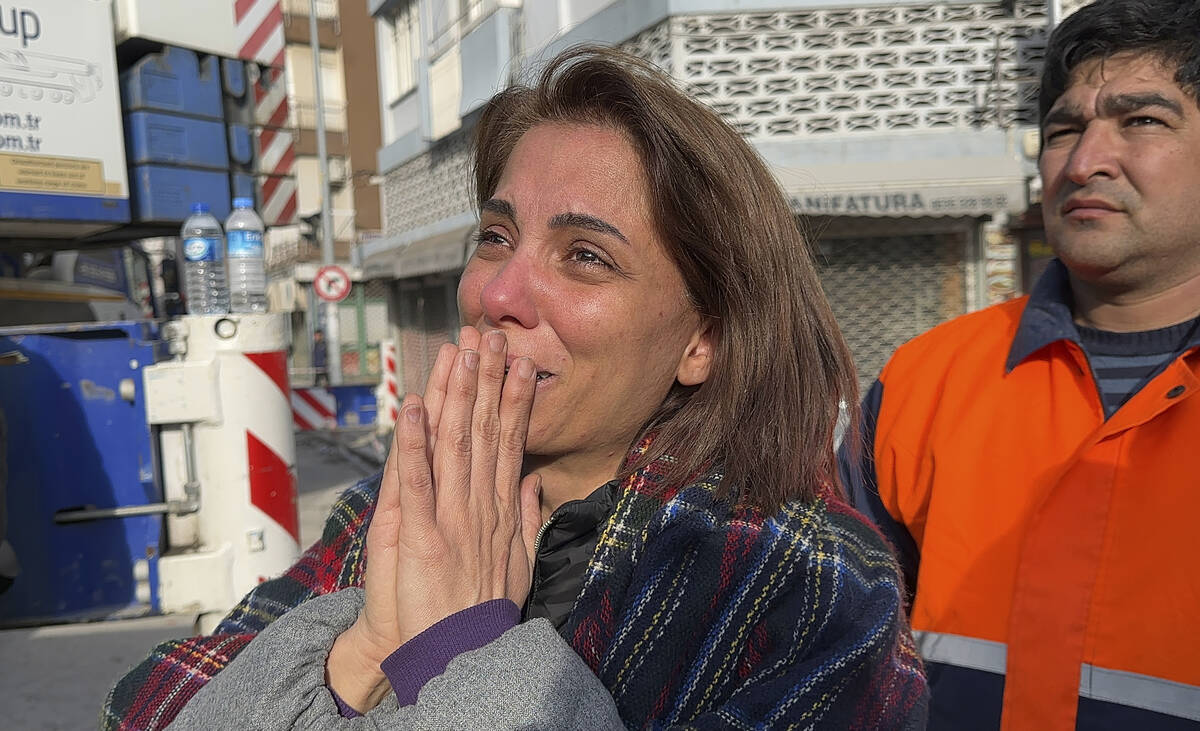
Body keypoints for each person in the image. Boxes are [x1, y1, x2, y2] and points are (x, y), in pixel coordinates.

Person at [103, 46, 927, 730]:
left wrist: (461, 654)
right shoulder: (391, 510)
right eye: (496, 237)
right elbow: (146, 706)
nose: (496, 294)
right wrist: (363, 643)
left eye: (585, 256)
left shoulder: (805, 582)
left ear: (702, 338)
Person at [839, 1, 1200, 728]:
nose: (1085, 159)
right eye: (1064, 129)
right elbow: (830, 641)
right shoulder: (926, 379)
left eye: (1142, 121)